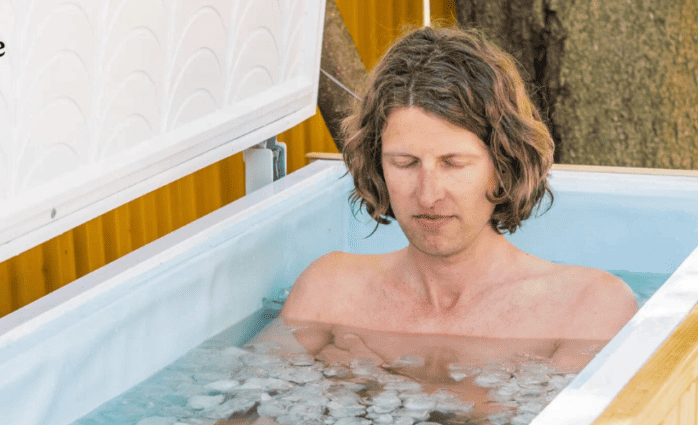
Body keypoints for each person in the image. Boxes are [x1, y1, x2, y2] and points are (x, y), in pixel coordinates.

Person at [263, 27, 637, 376]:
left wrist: (374, 391)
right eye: (405, 163)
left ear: (503, 164)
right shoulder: (330, 291)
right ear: (377, 165)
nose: (427, 195)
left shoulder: (588, 307)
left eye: (453, 164)